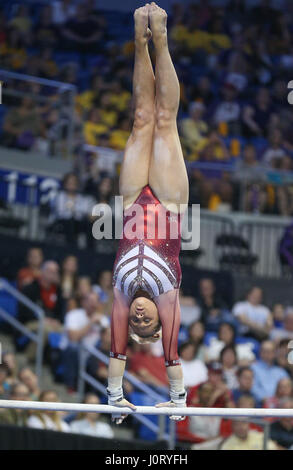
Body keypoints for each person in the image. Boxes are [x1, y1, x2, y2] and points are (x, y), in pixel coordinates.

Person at [107, 3, 189, 424]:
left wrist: (115, 396)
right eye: (146, 326)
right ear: (159, 317)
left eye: (135, 325)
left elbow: (115, 348)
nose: (138, 319)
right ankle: (161, 38)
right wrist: (178, 400)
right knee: (164, 120)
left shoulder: (122, 296)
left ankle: (139, 38)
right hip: (170, 203)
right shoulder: (168, 296)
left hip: (131, 201)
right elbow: (171, 351)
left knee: (140, 119)